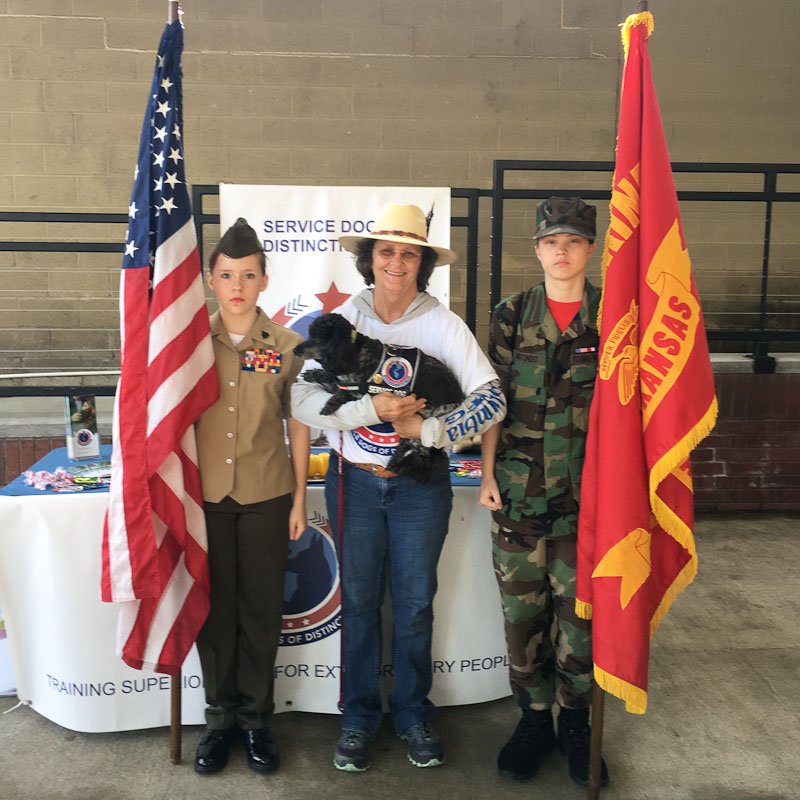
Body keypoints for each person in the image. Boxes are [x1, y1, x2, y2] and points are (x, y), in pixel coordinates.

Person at [291, 203, 505, 772]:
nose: (395, 262)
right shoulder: (345, 321)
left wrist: (431, 429)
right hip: (354, 482)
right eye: (385, 251)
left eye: (408, 252)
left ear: (422, 263)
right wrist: (370, 408)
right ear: (369, 259)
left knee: (412, 606)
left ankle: (413, 714)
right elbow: (302, 400)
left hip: (419, 486)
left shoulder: (442, 324)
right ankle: (358, 718)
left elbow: (492, 399)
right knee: (359, 604)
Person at [479, 197, 609, 787]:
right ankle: (534, 718)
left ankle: (576, 724)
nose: (562, 251)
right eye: (552, 242)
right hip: (519, 498)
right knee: (522, 620)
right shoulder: (511, 314)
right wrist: (485, 475)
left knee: (582, 622)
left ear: (590, 249)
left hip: (590, 504)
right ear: (536, 250)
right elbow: (492, 405)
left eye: (573, 241)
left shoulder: (614, 317)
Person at [193, 218, 310, 776]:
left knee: (262, 612)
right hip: (206, 498)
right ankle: (219, 722)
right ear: (210, 281)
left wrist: (299, 500)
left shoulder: (287, 347)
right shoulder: (188, 346)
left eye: (248, 275)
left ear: (265, 281)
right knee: (214, 614)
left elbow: (299, 424)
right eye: (226, 275)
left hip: (266, 495)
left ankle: (258, 722)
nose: (236, 285)